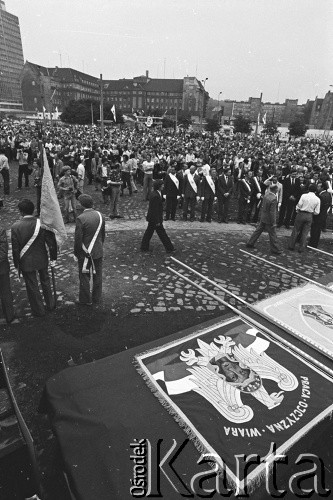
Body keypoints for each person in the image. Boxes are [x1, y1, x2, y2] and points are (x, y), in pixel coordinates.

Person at [11, 199, 57, 317]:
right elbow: (51, 242)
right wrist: (53, 257)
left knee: (32, 285)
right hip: (42, 257)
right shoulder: (41, 223)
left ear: (21, 212)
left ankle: (38, 310)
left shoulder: (15, 227)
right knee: (46, 281)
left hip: (26, 260)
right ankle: (50, 304)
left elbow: (15, 249)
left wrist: (17, 264)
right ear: (33, 210)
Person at [74, 194, 105, 306]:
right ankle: (97, 298)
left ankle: (85, 299)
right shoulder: (100, 215)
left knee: (84, 276)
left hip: (84, 253)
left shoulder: (80, 218)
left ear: (82, 205)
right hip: (98, 250)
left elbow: (78, 239)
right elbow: (103, 235)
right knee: (98, 275)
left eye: (78, 202)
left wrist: (76, 253)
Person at [140, 179, 175, 254]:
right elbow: (155, 210)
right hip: (155, 219)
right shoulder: (155, 195)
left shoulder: (157, 193)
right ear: (158, 186)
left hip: (153, 218)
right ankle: (170, 248)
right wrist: (157, 221)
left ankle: (144, 247)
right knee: (161, 234)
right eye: (162, 185)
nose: (163, 186)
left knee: (149, 233)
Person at [246, 184, 282, 255]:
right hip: (269, 219)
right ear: (275, 190)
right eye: (277, 189)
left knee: (258, 231)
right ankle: (275, 249)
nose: (277, 190)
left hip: (263, 216)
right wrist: (273, 222)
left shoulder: (266, 195)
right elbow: (272, 212)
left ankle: (250, 242)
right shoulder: (274, 199)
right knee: (273, 234)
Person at [289, 184, 320, 253]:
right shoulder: (317, 199)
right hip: (309, 215)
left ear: (308, 189)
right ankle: (301, 248)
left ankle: (291, 246)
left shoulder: (304, 196)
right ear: (315, 191)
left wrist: (297, 210)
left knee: (296, 230)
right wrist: (311, 213)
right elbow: (317, 212)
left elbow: (299, 205)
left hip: (301, 213)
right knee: (305, 232)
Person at [309, 183, 332, 248]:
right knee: (317, 230)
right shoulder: (328, 194)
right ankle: (314, 243)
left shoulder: (321, 196)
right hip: (323, 215)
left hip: (318, 215)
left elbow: (319, 207)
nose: (317, 188)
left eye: (318, 186)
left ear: (322, 187)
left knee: (315, 230)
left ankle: (313, 243)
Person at [0, 229, 15, 324]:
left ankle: (9, 315)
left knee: (5, 292)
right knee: (5, 291)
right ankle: (9, 316)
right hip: (2, 266)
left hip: (1, 268)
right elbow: (4, 249)